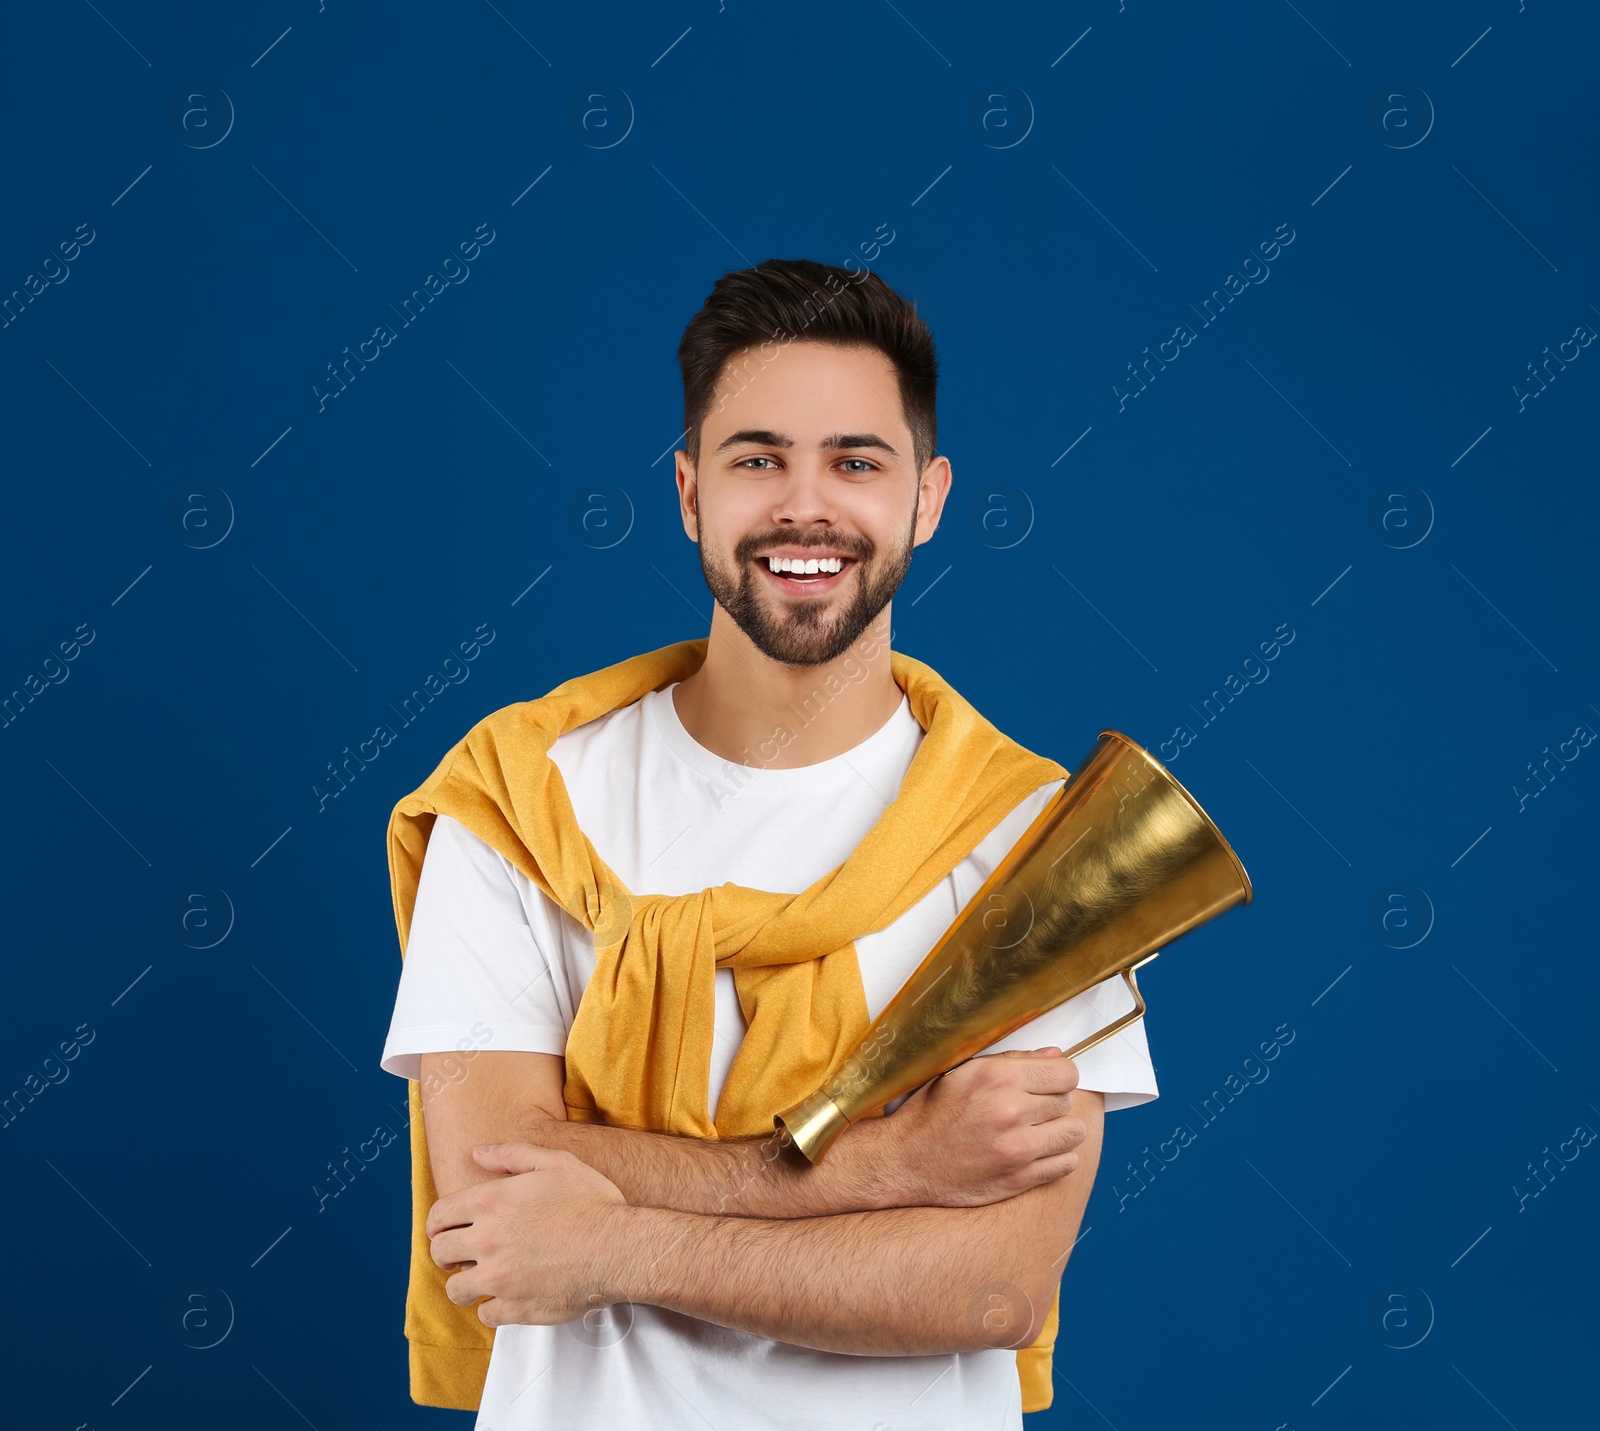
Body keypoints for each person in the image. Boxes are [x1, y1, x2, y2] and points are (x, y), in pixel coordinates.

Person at [380, 257, 1158, 1429]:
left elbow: (991, 1285)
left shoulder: (1034, 844)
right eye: (758, 460)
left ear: (927, 499)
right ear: (690, 493)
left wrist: (613, 1244)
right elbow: (492, 1199)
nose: (806, 507)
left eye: (856, 461)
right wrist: (887, 1169)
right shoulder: (517, 801)